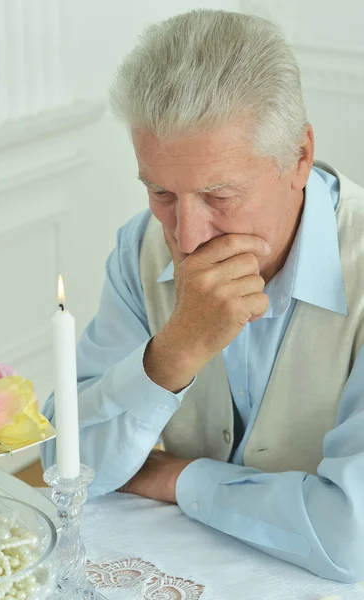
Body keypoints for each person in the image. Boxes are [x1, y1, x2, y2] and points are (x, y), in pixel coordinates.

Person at [42, 9, 364, 583]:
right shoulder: (139, 249)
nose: (185, 237)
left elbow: (351, 538)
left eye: (220, 195)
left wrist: (174, 477)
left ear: (300, 158)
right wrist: (168, 360)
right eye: (161, 191)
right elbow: (65, 465)